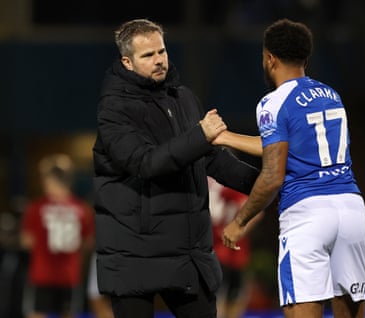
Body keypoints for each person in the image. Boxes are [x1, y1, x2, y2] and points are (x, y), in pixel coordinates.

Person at [92, 18, 259, 318]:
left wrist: (265, 185)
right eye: (148, 55)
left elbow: (209, 158)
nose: (159, 61)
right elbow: (145, 163)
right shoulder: (113, 109)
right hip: (134, 255)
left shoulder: (183, 98)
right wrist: (200, 136)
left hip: (186, 254)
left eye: (162, 51)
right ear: (127, 62)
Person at [213, 19, 365, 318]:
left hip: (307, 215)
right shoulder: (331, 95)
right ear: (305, 59)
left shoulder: (272, 103)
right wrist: (225, 137)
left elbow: (273, 175)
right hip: (351, 210)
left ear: (269, 58)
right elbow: (285, 143)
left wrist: (240, 222)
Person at [20, 154, 95, 318]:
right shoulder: (82, 209)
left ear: (48, 180)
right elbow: (88, 242)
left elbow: (26, 241)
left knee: (36, 313)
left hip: (41, 275)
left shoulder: (37, 208)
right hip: (70, 275)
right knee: (68, 313)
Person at [208, 176, 262, 318]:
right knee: (227, 296)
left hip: (225, 251)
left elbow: (255, 213)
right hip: (225, 252)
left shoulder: (219, 184)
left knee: (224, 296)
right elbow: (256, 212)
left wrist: (236, 230)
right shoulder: (222, 183)